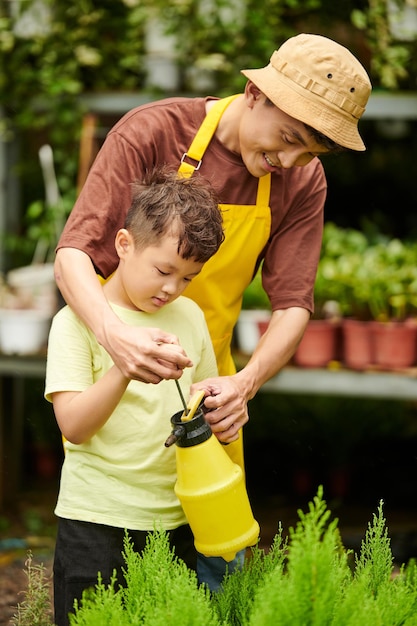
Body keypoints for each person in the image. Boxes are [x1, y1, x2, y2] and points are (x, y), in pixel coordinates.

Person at [54, 33, 372, 472]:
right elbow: (73, 255)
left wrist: (245, 384)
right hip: (117, 373)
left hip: (206, 394)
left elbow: (293, 305)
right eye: (287, 137)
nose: (291, 160)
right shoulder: (152, 132)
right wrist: (116, 339)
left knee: (208, 530)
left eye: (309, 153)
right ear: (254, 93)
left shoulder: (303, 180)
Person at [45, 167, 228, 625]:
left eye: (188, 278)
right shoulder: (76, 322)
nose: (172, 289)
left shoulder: (189, 316)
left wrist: (225, 409)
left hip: (176, 522)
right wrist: (125, 367)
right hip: (96, 521)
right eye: (164, 270)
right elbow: (74, 426)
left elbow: (203, 405)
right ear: (124, 245)